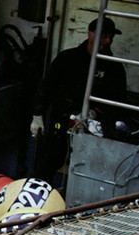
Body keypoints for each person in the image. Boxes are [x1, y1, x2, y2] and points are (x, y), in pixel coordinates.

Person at [33, 16, 129, 182]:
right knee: (49, 158)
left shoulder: (114, 67)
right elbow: (47, 88)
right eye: (104, 36)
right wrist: (38, 116)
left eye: (110, 37)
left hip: (94, 128)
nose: (108, 41)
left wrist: (97, 115)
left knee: (88, 170)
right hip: (61, 122)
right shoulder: (67, 59)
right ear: (90, 34)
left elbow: (119, 101)